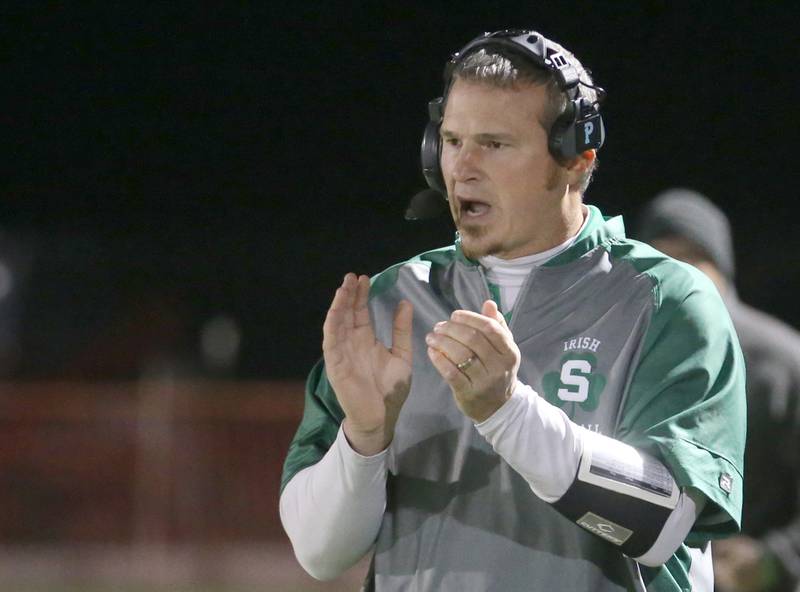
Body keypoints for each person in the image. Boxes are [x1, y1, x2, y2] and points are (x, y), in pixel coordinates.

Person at [280, 29, 746, 591]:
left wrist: (506, 411)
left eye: (494, 144)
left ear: (576, 160)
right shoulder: (391, 303)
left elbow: (663, 524)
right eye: (452, 141)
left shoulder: (669, 300)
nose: (462, 168)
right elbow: (319, 555)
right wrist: (364, 435)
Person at [637, 188, 800, 592]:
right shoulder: (629, 354)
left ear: (722, 268)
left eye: (694, 257)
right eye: (663, 259)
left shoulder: (780, 361)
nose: (681, 273)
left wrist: (773, 560)